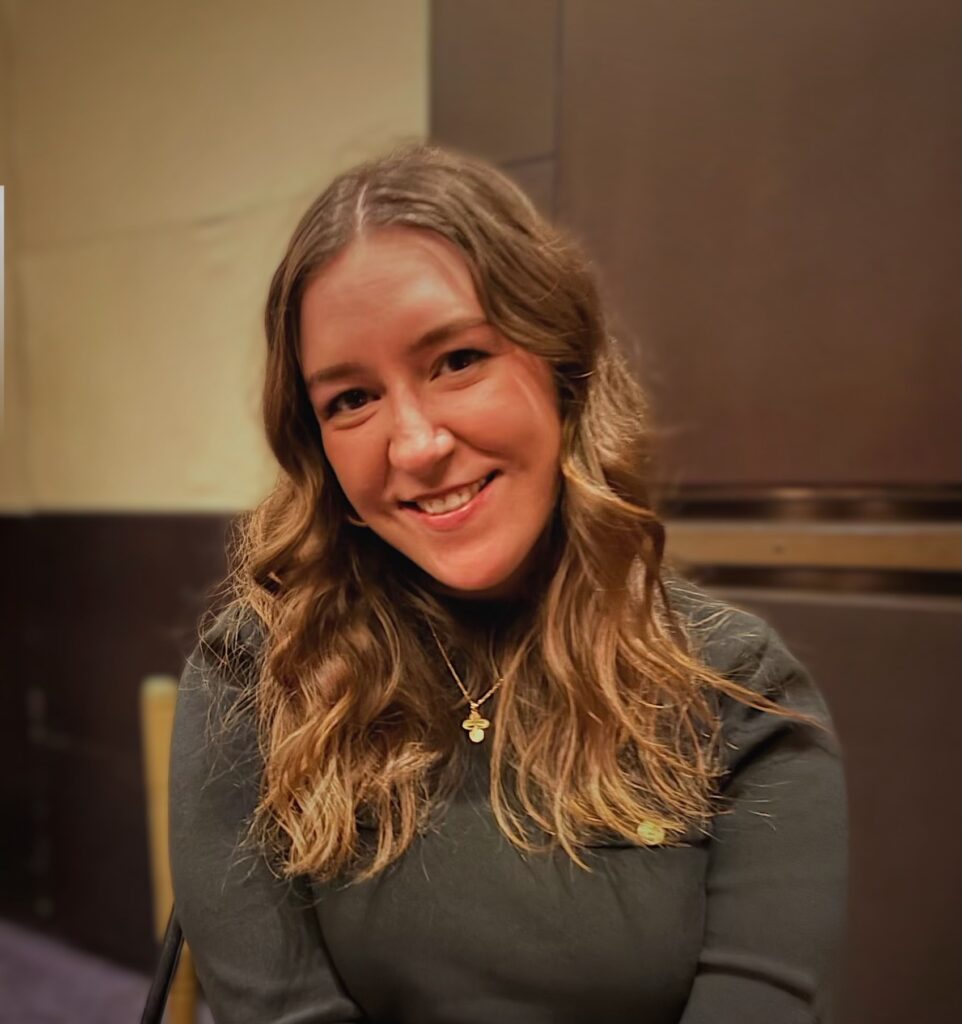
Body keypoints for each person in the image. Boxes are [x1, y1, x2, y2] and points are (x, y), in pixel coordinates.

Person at [169, 143, 847, 1024]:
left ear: (563, 365)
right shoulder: (258, 675)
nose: (416, 445)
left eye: (456, 359)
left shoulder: (740, 692)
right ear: (317, 448)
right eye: (351, 400)